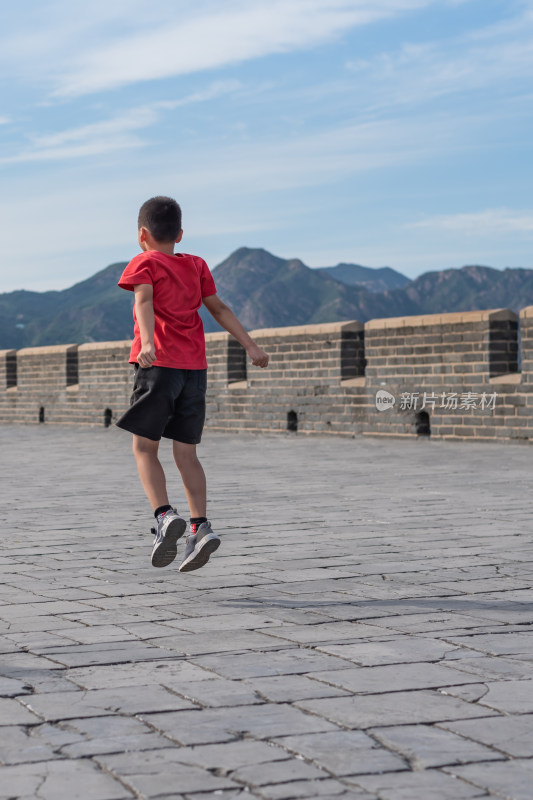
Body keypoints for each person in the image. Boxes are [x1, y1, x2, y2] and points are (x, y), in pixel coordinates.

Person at [116, 196, 269, 572]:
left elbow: (144, 301)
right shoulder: (196, 265)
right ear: (180, 234)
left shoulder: (144, 262)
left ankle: (165, 516)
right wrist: (250, 345)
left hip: (159, 367)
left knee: (144, 449)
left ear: (142, 235)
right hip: (194, 371)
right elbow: (218, 308)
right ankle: (200, 528)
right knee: (187, 454)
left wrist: (148, 342)